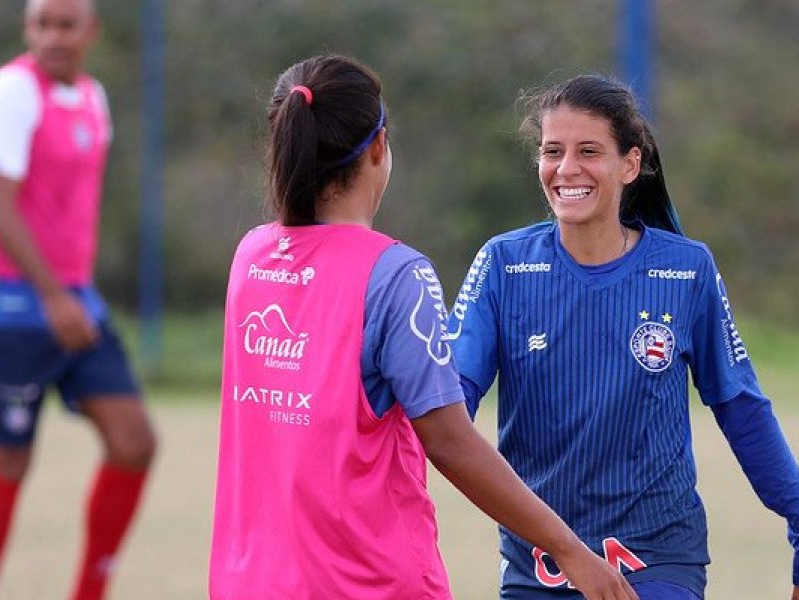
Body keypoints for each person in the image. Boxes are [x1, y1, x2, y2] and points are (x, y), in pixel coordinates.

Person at [209, 54, 637, 600]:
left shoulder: (252, 255)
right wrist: (572, 551)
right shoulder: (395, 274)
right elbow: (450, 440)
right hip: (369, 583)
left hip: (250, 583)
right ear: (379, 148)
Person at [446, 74, 799, 600]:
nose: (566, 169)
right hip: (538, 567)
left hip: (659, 562)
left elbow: (742, 408)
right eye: (552, 151)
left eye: (589, 151)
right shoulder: (503, 264)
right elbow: (448, 405)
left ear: (630, 164)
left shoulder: (685, 269)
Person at [0, 0, 156, 597]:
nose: (53, 37)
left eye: (66, 24)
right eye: (41, 24)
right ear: (27, 28)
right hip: (12, 304)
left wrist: (73, 294)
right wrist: (52, 296)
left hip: (73, 298)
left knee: (134, 441)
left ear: (91, 31)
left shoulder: (93, 96)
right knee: (7, 457)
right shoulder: (8, 94)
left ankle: (91, 590)